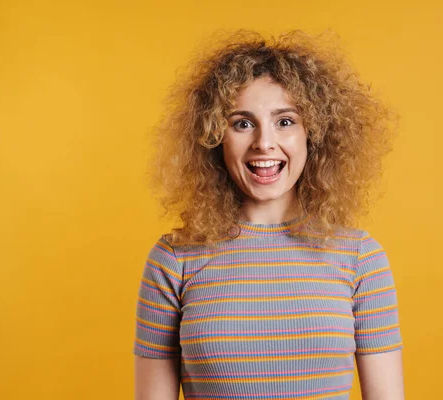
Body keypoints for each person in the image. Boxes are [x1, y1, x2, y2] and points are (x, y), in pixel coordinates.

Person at [134, 30, 404, 400]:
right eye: (242, 123)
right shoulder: (174, 260)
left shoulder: (360, 259)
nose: (263, 142)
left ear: (314, 134)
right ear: (214, 137)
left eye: (285, 121)